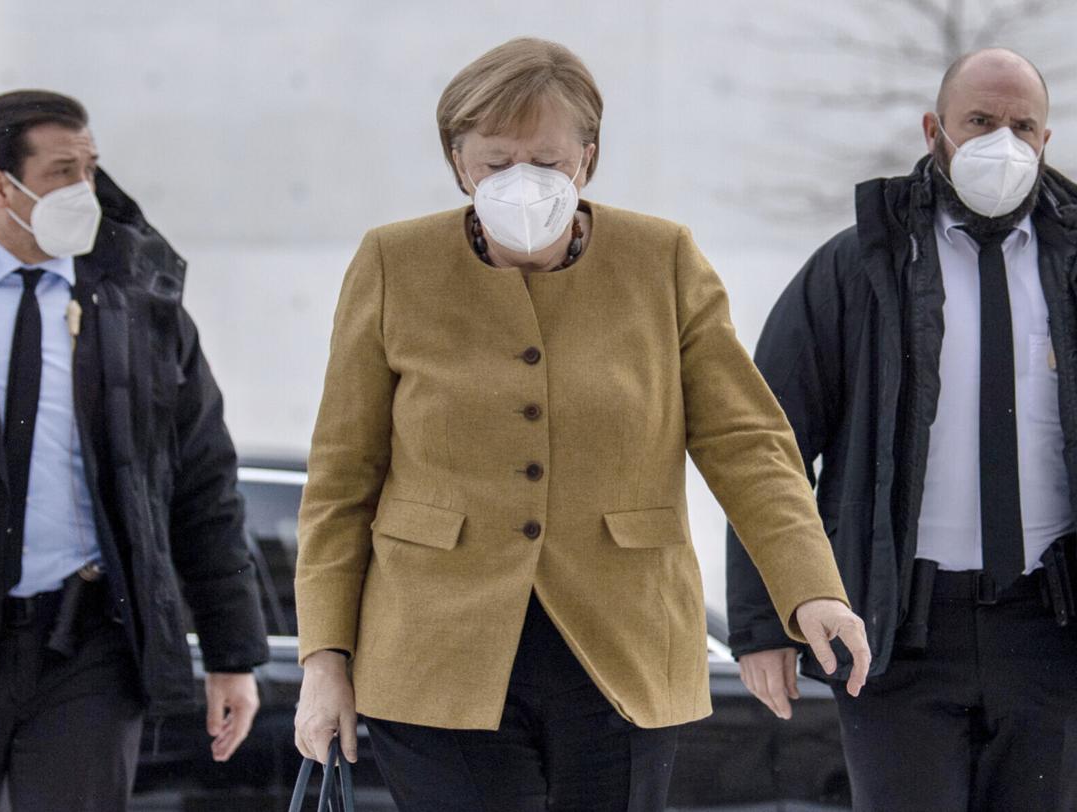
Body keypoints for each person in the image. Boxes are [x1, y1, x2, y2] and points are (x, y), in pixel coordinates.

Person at [294, 37, 870, 811]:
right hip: (432, 652)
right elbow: (341, 480)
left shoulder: (663, 260)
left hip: (622, 648)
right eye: (496, 162)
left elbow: (747, 443)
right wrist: (324, 660)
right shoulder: (393, 263)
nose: (521, 180)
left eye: (547, 160)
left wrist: (811, 591)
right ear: (459, 164)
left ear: (588, 160)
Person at [0, 90, 269, 811]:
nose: (85, 189)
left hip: (90, 642)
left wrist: (232, 655)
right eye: (62, 172)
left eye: (90, 168)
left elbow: (204, 486)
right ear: (0, 187)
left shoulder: (142, 308)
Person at [726, 48, 1077, 811]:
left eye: (1023, 126)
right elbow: (764, 445)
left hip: (1050, 628)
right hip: (894, 627)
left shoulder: (1072, 266)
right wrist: (763, 621)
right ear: (933, 130)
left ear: (1046, 140)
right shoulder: (860, 266)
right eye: (979, 121)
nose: (1003, 143)